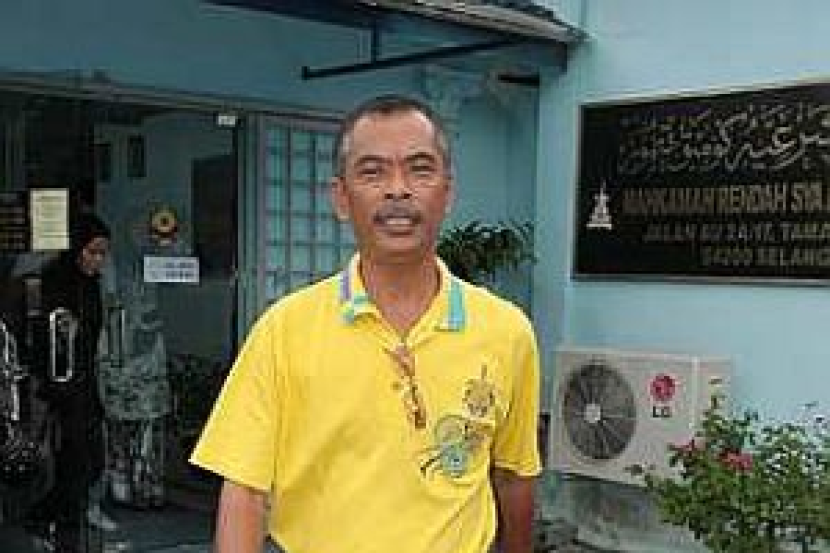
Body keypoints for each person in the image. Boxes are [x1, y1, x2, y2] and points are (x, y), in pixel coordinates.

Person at [190, 95, 542, 553]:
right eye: (373, 172)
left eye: (419, 169)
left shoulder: (506, 331)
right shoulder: (285, 330)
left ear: (448, 192)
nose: (398, 190)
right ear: (341, 198)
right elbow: (245, 491)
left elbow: (514, 476)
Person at [24, 211, 113, 552]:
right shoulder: (55, 281)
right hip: (61, 382)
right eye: (92, 252)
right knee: (76, 460)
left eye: (103, 253)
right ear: (77, 248)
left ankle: (50, 516)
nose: (97, 260)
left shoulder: (91, 284)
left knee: (91, 460)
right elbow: (44, 334)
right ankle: (57, 524)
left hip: (84, 380)